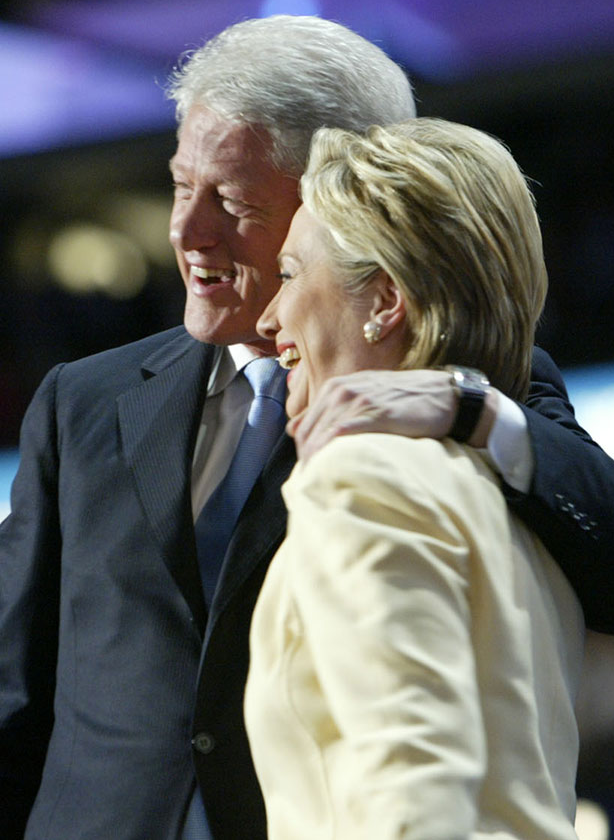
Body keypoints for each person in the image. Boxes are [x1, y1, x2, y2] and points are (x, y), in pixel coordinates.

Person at [0, 14, 614, 840]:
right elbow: (0, 708)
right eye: (180, 185)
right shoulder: (81, 401)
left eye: (230, 200)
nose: (187, 233)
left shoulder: (458, 393)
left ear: (345, 195)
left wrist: (471, 411)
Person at [245, 118, 579, 840]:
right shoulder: (512, 500)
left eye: (291, 275)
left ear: (386, 302)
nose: (269, 317)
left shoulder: (364, 478)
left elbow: (416, 785)